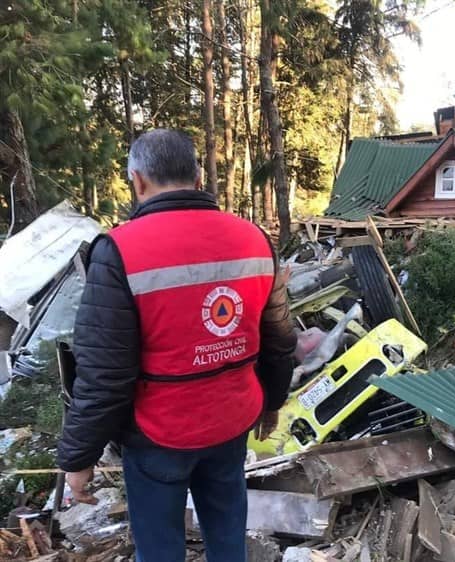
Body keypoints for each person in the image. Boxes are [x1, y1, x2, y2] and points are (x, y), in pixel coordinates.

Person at [56, 129, 297, 562]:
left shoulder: (119, 251)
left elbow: (104, 374)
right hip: (231, 421)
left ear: (138, 181)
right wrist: (272, 402)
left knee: (160, 549)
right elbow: (279, 337)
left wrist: (79, 458)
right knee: (228, 538)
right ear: (198, 176)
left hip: (159, 434)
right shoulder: (254, 239)